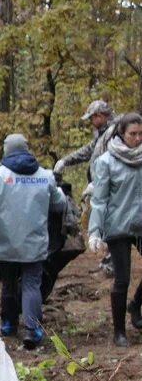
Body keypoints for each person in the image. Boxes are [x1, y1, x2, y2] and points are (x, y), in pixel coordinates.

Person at [0, 134, 65, 349]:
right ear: (26, 149)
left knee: (9, 283)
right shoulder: (45, 176)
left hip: (5, 243)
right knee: (32, 285)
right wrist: (58, 193)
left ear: (6, 150)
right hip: (34, 242)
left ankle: (9, 325)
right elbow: (58, 204)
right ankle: (32, 329)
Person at [87, 113, 142, 348]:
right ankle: (119, 331)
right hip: (117, 226)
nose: (137, 138)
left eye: (141, 134)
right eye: (133, 134)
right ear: (121, 133)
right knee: (122, 279)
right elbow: (99, 200)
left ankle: (135, 305)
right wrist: (94, 232)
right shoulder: (106, 162)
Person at [54, 100, 120, 276]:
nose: (91, 121)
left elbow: (115, 161)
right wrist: (65, 160)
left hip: (112, 188)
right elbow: (88, 151)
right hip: (102, 187)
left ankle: (112, 265)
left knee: (112, 224)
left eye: (92, 118)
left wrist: (98, 182)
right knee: (106, 224)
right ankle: (108, 261)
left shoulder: (116, 133)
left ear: (100, 116)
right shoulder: (101, 134)